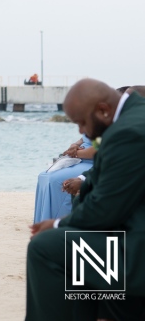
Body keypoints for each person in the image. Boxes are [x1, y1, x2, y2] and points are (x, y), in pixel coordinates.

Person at [27, 79, 145, 320]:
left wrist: (57, 224)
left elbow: (105, 210)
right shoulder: (133, 119)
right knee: (77, 246)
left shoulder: (128, 132)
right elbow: (106, 181)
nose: (81, 132)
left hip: (138, 255)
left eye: (82, 123)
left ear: (103, 110)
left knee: (45, 247)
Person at [32, 135, 96, 222]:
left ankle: (57, 223)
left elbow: (102, 149)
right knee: (43, 175)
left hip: (92, 163)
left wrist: (75, 153)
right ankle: (42, 221)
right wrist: (74, 145)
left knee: (54, 179)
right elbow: (84, 138)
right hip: (79, 159)